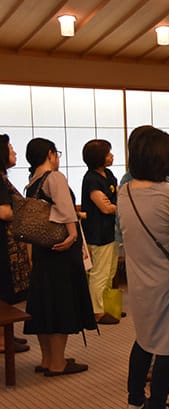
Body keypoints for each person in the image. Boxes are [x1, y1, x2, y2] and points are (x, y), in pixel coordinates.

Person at [117, 126, 169, 409]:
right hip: (168, 283)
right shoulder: (168, 194)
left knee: (145, 340)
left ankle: (135, 396)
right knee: (168, 347)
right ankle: (157, 403)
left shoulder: (124, 192)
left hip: (138, 280)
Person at [24, 138, 96, 377]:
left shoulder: (32, 181)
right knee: (60, 303)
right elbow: (66, 211)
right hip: (60, 248)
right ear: (50, 154)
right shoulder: (54, 178)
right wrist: (73, 235)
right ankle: (58, 363)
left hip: (42, 249)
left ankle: (47, 359)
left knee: (45, 304)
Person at [81, 139, 119, 325]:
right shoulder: (91, 179)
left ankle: (107, 306)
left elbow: (116, 198)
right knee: (100, 272)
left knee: (110, 270)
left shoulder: (108, 174)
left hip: (109, 230)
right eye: (108, 153)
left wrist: (116, 205)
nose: (111, 156)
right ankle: (96, 311)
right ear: (98, 158)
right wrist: (118, 206)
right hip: (98, 232)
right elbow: (104, 207)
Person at [0, 134, 31, 354]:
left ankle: (6, 334)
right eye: (11, 149)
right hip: (3, 244)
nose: (15, 152)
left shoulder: (3, 177)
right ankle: (2, 340)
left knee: (6, 290)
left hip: (8, 241)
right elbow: (3, 211)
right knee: (2, 288)